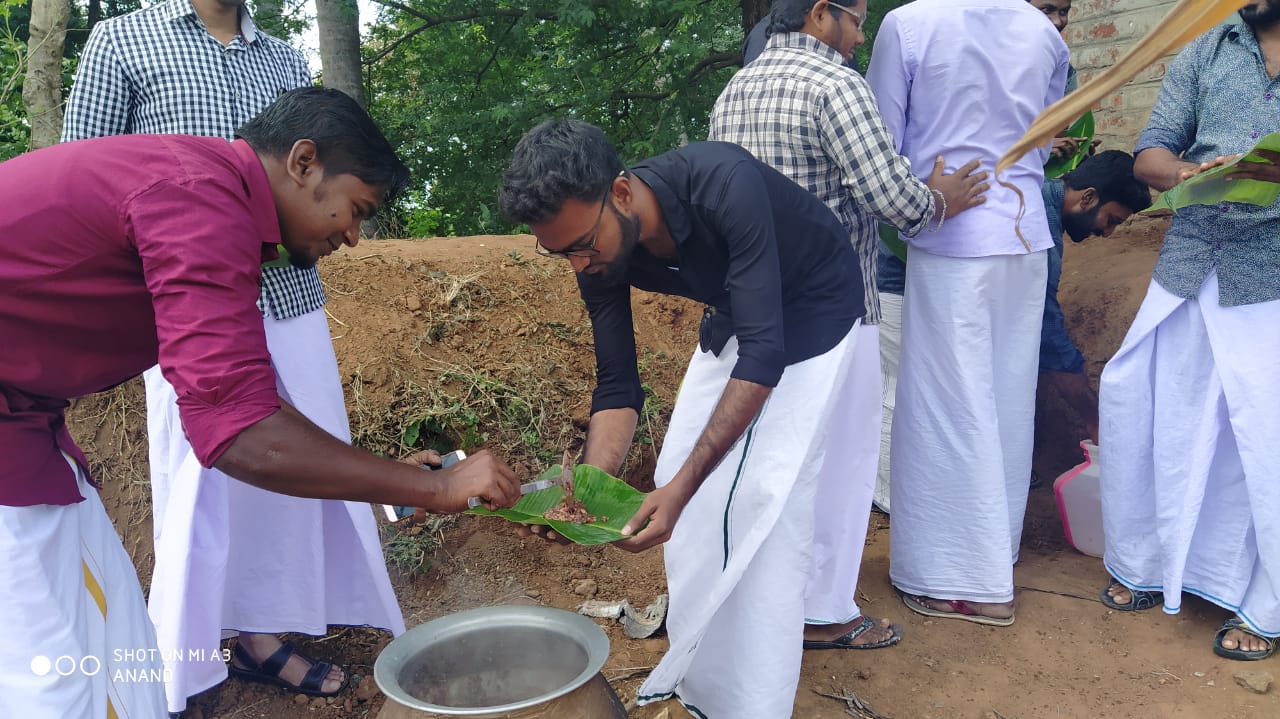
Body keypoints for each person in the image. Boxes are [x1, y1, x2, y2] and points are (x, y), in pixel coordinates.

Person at [0, 87, 522, 719]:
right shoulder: (199, 201)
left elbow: (254, 399)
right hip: (14, 436)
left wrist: (406, 485)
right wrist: (433, 491)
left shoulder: (208, 194)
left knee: (109, 636)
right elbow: (239, 433)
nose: (355, 237)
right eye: (356, 209)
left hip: (26, 423)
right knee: (48, 671)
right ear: (304, 163)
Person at [60, 0, 406, 711]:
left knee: (292, 468)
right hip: (183, 303)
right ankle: (176, 667)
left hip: (288, 293)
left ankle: (260, 635)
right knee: (199, 485)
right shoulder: (120, 40)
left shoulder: (282, 58)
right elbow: (82, 165)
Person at [501, 119, 870, 718]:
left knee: (758, 503)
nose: (576, 264)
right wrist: (583, 495)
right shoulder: (596, 255)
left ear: (621, 193)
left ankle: (751, 703)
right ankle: (703, 682)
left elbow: (766, 353)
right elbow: (619, 384)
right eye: (558, 251)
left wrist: (682, 489)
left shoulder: (726, 184)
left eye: (581, 244)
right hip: (739, 311)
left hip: (813, 311)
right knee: (678, 476)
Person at [709, 0, 987, 651]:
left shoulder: (736, 88)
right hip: (837, 313)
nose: (862, 37)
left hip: (757, 319)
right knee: (842, 465)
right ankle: (824, 610)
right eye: (857, 19)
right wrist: (941, 193)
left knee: (774, 462)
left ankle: (758, 603)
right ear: (818, 14)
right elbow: (897, 202)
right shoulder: (836, 85)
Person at [867, 0, 1069, 625]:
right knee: (1007, 398)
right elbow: (1047, 133)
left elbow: (883, 144)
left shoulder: (909, 24)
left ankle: (962, 579)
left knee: (947, 404)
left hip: (952, 229)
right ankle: (993, 552)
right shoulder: (1043, 31)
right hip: (1026, 233)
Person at [1099, 0, 1280, 661]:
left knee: (1262, 438)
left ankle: (1266, 604)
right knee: (1157, 410)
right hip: (1191, 261)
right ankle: (1147, 564)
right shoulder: (1206, 49)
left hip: (1272, 274)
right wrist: (1184, 173)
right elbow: (1151, 153)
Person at [1036, 150, 1151, 447]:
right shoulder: (1037, 231)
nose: (1108, 233)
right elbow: (1045, 329)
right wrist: (1094, 419)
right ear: (1087, 197)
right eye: (1111, 219)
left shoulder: (1039, 192)